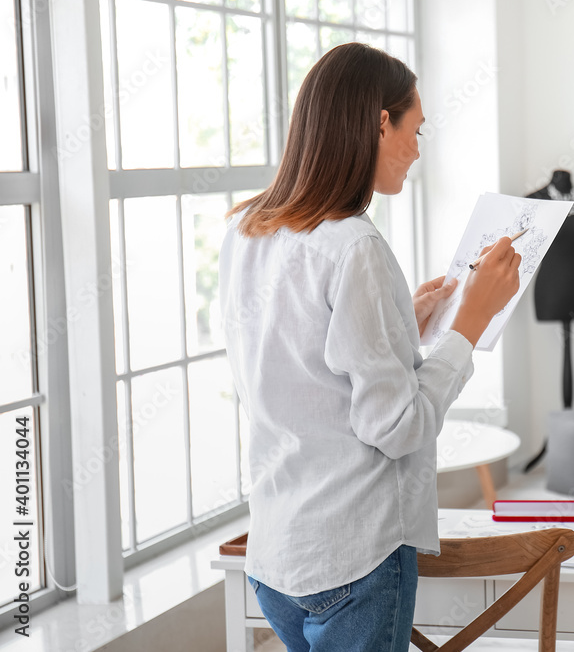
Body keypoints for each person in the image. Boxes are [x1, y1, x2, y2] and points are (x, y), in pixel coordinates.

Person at [218, 42, 521, 652]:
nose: (415, 150)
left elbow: (298, 357)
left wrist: (397, 319)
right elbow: (400, 427)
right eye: (414, 129)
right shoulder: (357, 246)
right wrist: (471, 323)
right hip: (352, 560)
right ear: (381, 122)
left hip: (277, 555)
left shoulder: (247, 228)